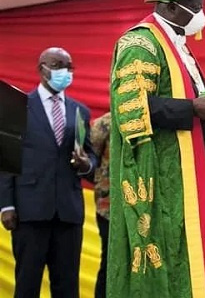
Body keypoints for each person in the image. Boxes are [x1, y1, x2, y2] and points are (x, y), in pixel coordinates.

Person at [108, 0, 205, 298]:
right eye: (196, 6)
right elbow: (132, 107)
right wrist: (192, 109)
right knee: (167, 247)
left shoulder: (181, 47)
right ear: (171, 7)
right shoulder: (140, 43)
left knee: (189, 251)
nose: (201, 14)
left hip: (189, 166)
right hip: (160, 172)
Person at [0, 47, 97, 298]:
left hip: (68, 212)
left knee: (66, 286)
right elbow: (6, 160)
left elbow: (91, 157)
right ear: (41, 69)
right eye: (57, 65)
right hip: (29, 212)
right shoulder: (18, 106)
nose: (64, 72)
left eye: (68, 67)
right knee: (28, 283)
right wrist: (6, 206)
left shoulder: (80, 112)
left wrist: (87, 165)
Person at [90, 111, 111, 298]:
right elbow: (89, 163)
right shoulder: (103, 124)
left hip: (142, 207)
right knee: (110, 262)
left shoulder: (147, 121)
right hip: (108, 208)